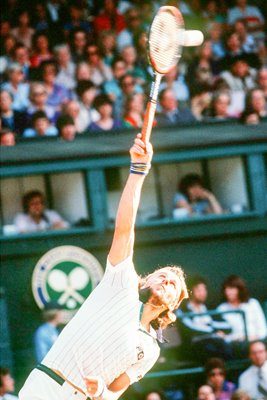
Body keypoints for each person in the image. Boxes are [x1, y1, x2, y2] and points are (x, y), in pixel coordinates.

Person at [19, 133, 188, 400]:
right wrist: (138, 171)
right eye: (163, 275)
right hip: (46, 385)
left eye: (173, 284)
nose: (167, 280)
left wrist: (100, 392)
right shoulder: (121, 284)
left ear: (173, 304)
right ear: (145, 280)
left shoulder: (150, 350)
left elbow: (113, 393)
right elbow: (125, 228)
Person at [176, 276, 232, 362]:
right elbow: (191, 329)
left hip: (216, 342)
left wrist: (209, 325)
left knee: (229, 349)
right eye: (198, 290)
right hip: (195, 346)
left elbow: (228, 326)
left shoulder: (210, 308)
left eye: (204, 290)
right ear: (190, 291)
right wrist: (214, 331)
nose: (202, 293)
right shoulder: (182, 310)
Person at [217, 275, 267, 347]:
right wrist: (233, 339)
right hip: (234, 345)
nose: (227, 292)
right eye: (225, 289)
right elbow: (222, 335)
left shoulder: (253, 303)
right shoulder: (221, 308)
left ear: (239, 289)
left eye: (231, 288)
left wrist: (251, 339)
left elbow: (263, 330)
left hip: (256, 342)